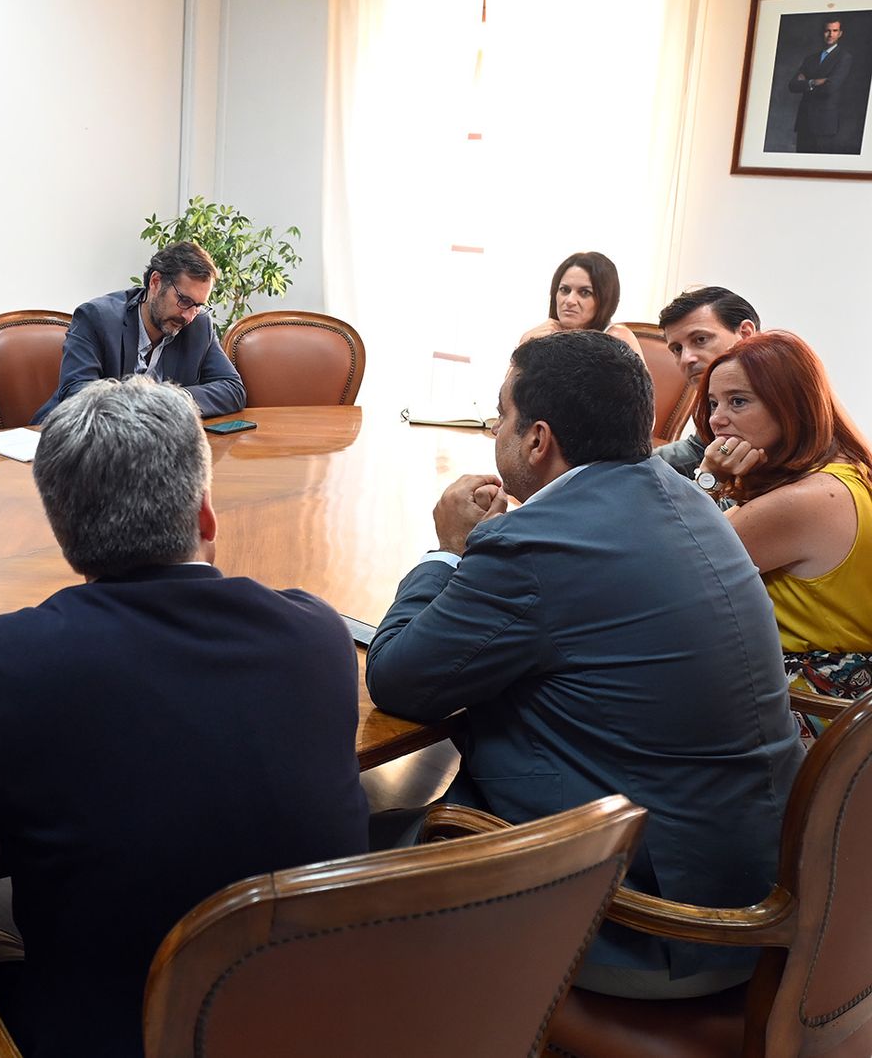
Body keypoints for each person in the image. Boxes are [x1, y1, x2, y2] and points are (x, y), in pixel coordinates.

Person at [0, 377, 368, 1058]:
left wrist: (10, 818)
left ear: (66, 540)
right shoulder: (319, 638)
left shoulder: (8, 661)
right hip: (312, 1020)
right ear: (205, 515)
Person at [366, 332, 801, 1000]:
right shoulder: (685, 496)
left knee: (350, 835)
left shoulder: (533, 543)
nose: (495, 429)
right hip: (755, 880)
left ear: (538, 439)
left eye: (500, 416)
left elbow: (397, 677)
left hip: (658, 924)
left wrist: (446, 550)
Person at [693, 332, 872, 698]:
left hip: (811, 704)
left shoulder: (802, 502)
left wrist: (709, 477)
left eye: (738, 402)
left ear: (791, 407)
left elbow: (669, 568)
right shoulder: (849, 471)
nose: (717, 420)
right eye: (713, 404)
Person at [30, 241, 245, 423]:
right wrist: (144, 404)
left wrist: (170, 399)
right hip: (74, 446)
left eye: (198, 305)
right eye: (184, 301)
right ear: (155, 282)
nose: (189, 316)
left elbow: (232, 389)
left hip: (152, 452)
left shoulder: (199, 325)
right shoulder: (96, 318)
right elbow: (77, 394)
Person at [653, 285, 761, 477]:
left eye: (700, 339)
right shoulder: (713, 393)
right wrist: (633, 465)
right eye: (677, 349)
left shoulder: (782, 392)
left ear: (745, 334)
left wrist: (708, 478)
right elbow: (696, 448)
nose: (687, 358)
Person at [521, 251, 646, 362]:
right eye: (565, 290)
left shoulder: (616, 339)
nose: (570, 300)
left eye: (585, 292)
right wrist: (524, 345)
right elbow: (510, 388)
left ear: (605, 299)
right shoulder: (546, 334)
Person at [790, 18, 852, 153]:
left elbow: (830, 88)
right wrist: (814, 82)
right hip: (804, 120)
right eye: (827, 31)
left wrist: (806, 83)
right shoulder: (810, 58)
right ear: (822, 33)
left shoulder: (844, 58)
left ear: (840, 33)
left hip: (824, 123)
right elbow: (793, 85)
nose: (830, 34)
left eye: (834, 31)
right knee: (800, 165)